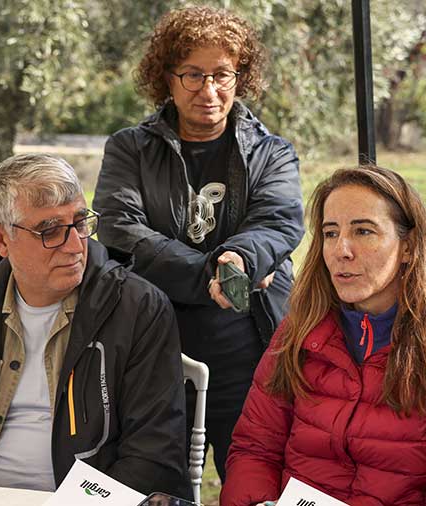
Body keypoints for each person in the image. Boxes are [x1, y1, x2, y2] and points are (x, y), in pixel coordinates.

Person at [93, 6, 304, 481]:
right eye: (193, 74)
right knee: (156, 483)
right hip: (154, 343)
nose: (209, 91)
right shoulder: (130, 149)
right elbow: (120, 227)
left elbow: (278, 221)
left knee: (252, 478)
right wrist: (216, 270)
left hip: (248, 341)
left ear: (240, 77)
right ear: (166, 77)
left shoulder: (272, 151)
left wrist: (242, 256)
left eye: (222, 74)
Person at [219, 165, 426, 505]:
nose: (342, 249)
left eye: (363, 231)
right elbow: (254, 450)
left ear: (409, 247)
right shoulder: (298, 330)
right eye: (330, 233)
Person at [0, 154, 189, 497]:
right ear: (0, 239)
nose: (76, 245)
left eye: (79, 222)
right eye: (50, 230)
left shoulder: (138, 309)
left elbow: (154, 456)